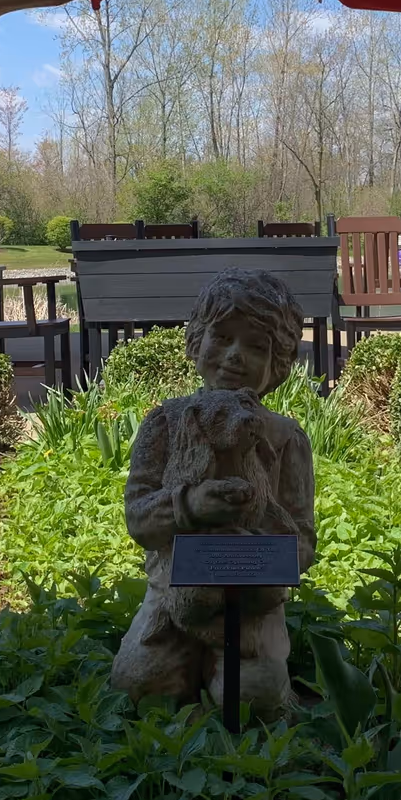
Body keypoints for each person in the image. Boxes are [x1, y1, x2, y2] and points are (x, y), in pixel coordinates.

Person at [112, 268, 316, 718]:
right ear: (196, 341)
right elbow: (138, 519)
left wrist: (263, 555)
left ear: (279, 362)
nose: (234, 357)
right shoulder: (164, 424)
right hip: (171, 596)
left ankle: (244, 685)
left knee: (252, 700)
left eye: (257, 346)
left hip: (251, 609)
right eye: (221, 337)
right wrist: (187, 505)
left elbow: (303, 537)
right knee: (139, 685)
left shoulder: (285, 439)